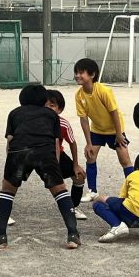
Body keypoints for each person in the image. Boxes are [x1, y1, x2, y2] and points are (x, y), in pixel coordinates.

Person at [0, 84, 80, 250]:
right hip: (45, 152)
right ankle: (73, 234)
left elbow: (10, 140)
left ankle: (1, 235)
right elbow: (55, 142)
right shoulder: (51, 115)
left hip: (19, 152)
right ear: (44, 100)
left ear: (21, 99)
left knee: (7, 190)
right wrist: (56, 167)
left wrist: (10, 164)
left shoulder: (14, 113)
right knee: (60, 190)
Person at [73, 58, 134, 202]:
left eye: (81, 72)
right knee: (90, 156)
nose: (77, 75)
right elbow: (84, 119)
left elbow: (114, 112)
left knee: (125, 161)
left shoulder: (104, 91)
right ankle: (92, 191)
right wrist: (88, 143)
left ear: (92, 74)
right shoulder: (79, 95)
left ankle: (134, 191)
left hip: (114, 130)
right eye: (76, 72)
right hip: (97, 130)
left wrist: (119, 134)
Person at [45, 89, 88, 220]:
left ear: (60, 109)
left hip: (57, 155)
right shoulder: (34, 121)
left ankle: (73, 207)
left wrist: (75, 164)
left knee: (79, 176)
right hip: (36, 154)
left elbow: (72, 143)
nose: (47, 108)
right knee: (12, 180)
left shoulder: (63, 124)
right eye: (44, 105)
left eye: (52, 105)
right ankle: (5, 210)